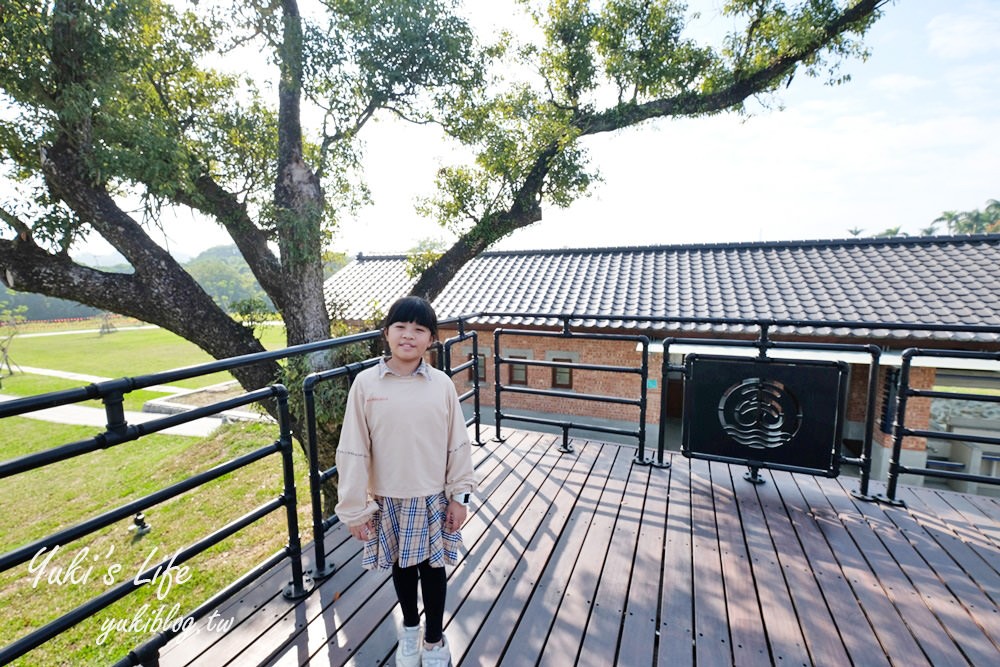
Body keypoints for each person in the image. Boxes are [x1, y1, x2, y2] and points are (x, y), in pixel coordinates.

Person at [335, 296, 476, 667]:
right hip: (388, 497)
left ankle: (433, 639)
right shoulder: (366, 384)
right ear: (386, 333)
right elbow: (352, 449)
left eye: (419, 329)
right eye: (400, 327)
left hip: (432, 496)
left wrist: (459, 496)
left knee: (433, 569)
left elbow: (457, 443)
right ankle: (410, 630)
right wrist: (354, 509)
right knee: (401, 567)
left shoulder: (441, 384)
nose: (408, 336)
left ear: (430, 339)